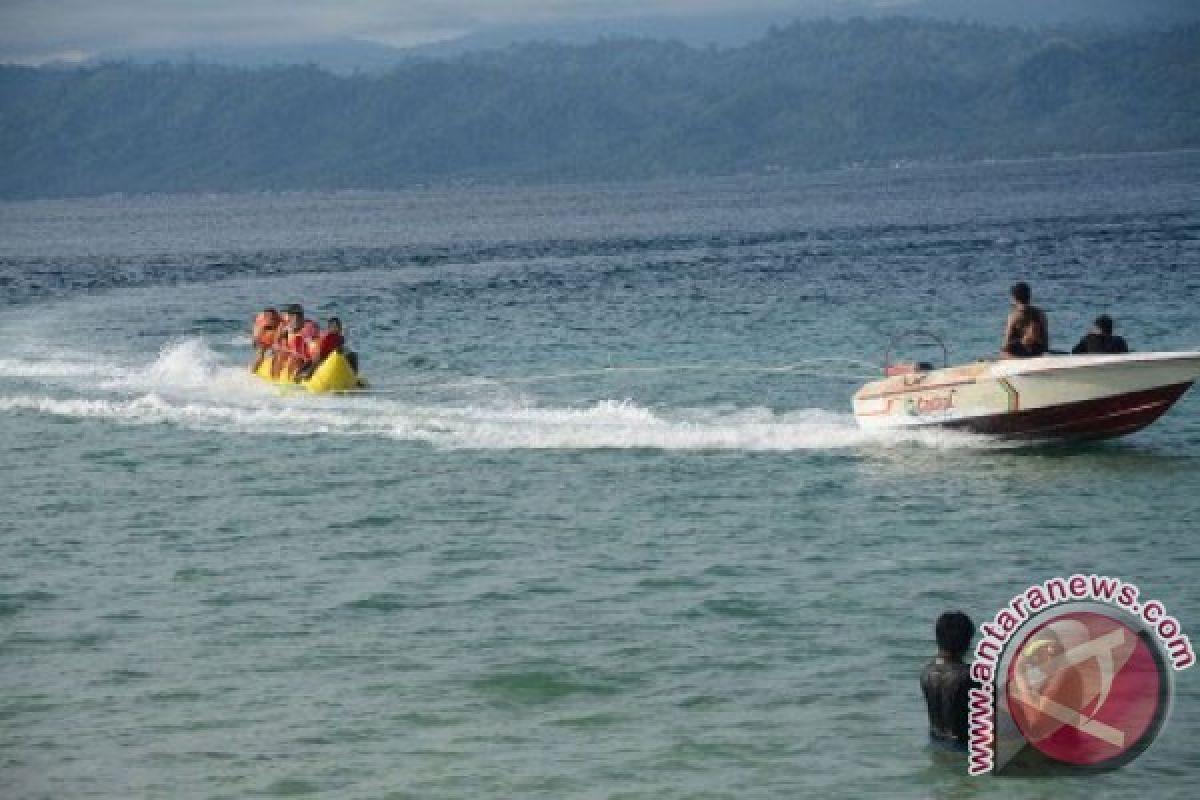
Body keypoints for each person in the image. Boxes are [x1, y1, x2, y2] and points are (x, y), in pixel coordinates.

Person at [920, 610, 979, 751]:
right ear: (967, 642)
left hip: (936, 741)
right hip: (965, 746)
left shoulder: (927, 672)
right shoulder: (970, 676)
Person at [1001, 282, 1049, 359]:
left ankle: (1019, 360)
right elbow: (1046, 340)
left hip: (1022, 353)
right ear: (1030, 297)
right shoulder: (1040, 313)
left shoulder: (1013, 317)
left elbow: (1006, 344)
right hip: (1039, 351)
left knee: (1003, 352)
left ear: (1014, 299)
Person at [249, 307, 280, 372]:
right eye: (269, 318)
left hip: (274, 336)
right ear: (265, 318)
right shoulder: (261, 325)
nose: (271, 320)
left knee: (276, 352)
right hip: (264, 337)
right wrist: (255, 341)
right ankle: (253, 371)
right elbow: (256, 338)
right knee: (260, 354)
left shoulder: (280, 320)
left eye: (273, 318)